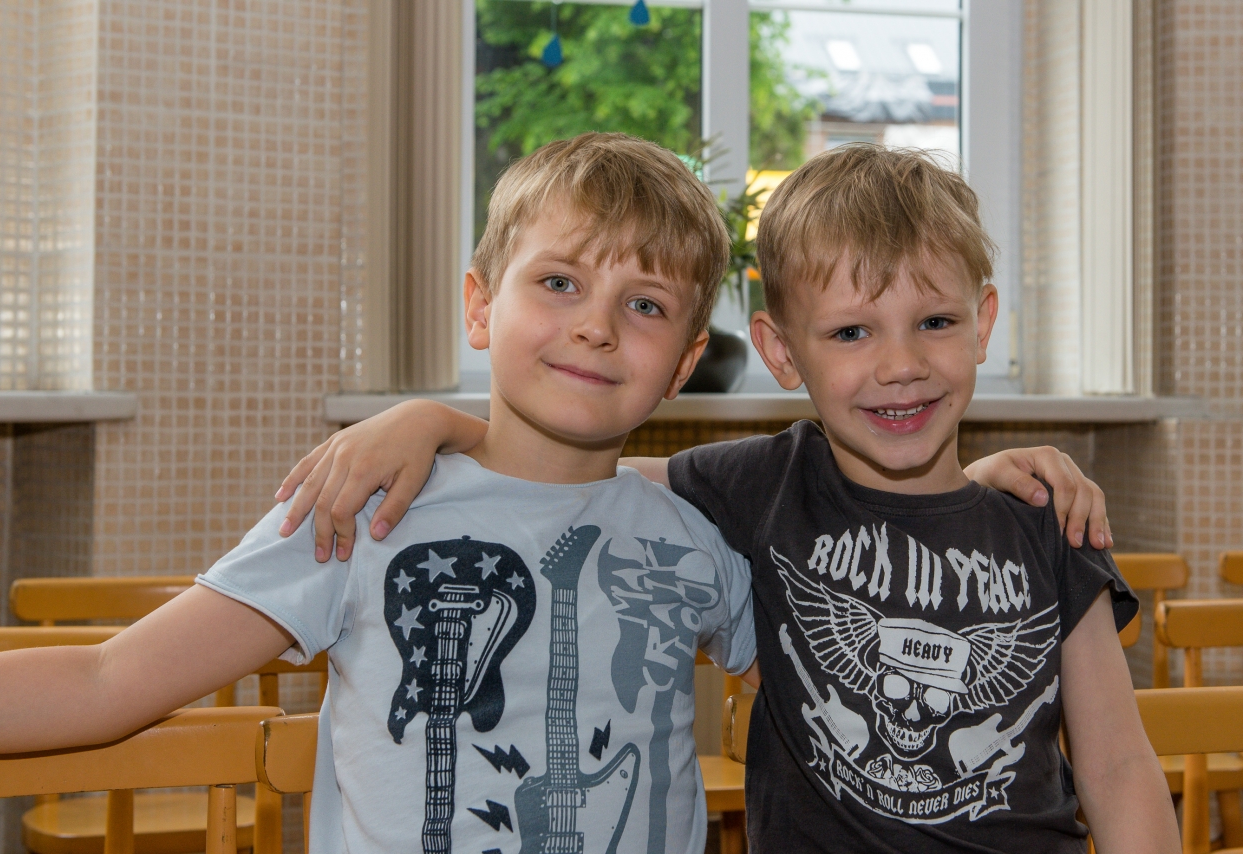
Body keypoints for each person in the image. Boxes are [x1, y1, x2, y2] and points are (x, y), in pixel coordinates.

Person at [275, 144, 1178, 853]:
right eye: (851, 332)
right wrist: (433, 422)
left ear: (982, 324)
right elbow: (572, 480)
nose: (900, 364)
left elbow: (1118, 767)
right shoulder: (763, 485)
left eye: (935, 322)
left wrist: (982, 489)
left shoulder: (1046, 524)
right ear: (781, 352)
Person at [0, 133, 763, 854]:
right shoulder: (366, 504)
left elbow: (811, 695)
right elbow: (108, 679)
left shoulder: (692, 537)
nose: (597, 326)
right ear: (481, 307)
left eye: (645, 304)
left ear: (684, 364)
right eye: (559, 282)